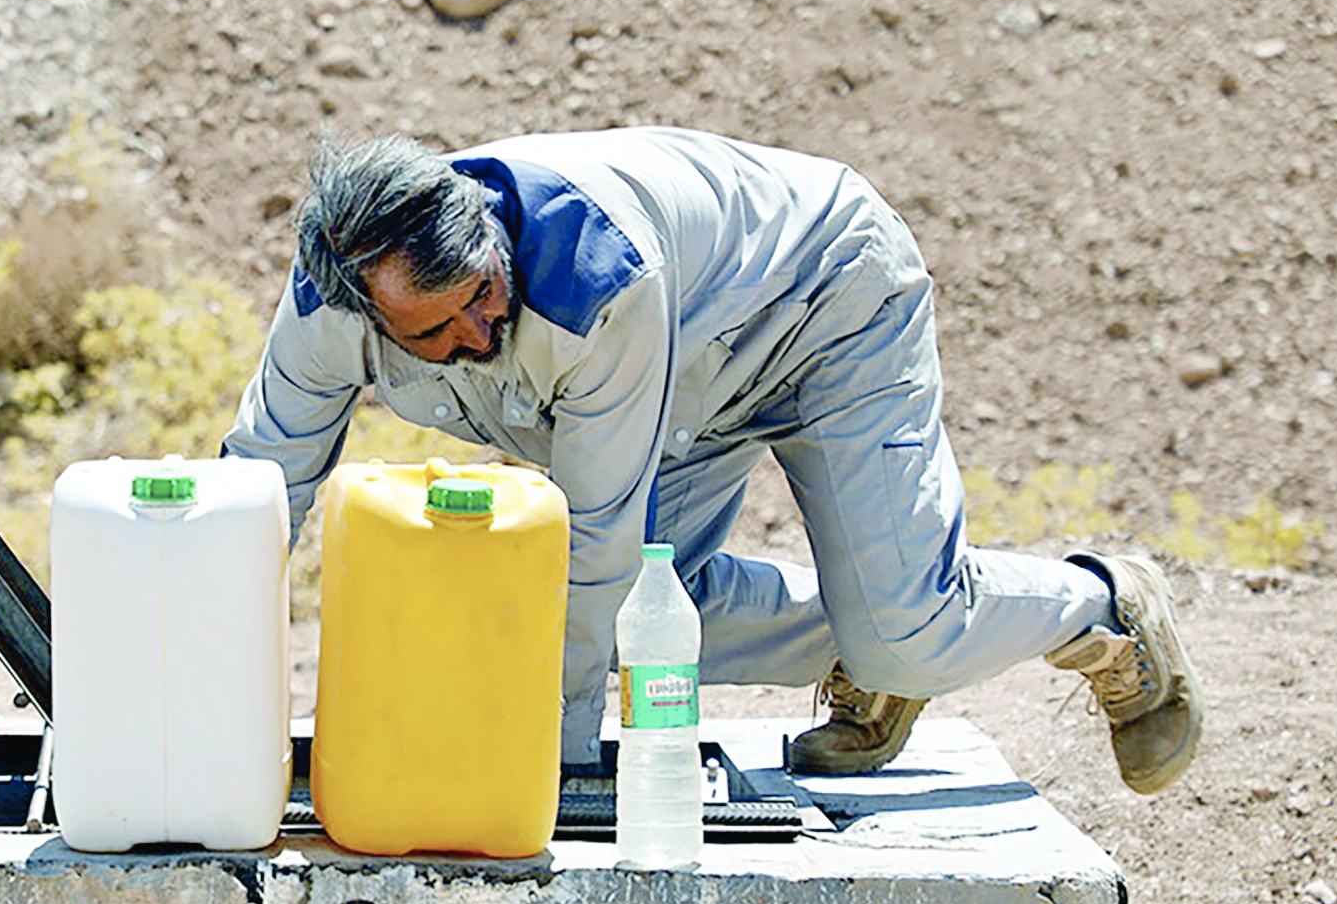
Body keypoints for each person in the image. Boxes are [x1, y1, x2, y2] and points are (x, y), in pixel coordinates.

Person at [222, 127, 1201, 792]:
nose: (484, 328)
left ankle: (1102, 605)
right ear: (365, 317)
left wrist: (554, 782)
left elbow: (597, 549)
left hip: (822, 303)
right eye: (444, 326)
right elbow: (255, 495)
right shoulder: (327, 309)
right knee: (661, 615)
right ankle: (865, 645)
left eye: (488, 291)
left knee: (906, 629)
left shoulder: (595, 280)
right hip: (687, 376)